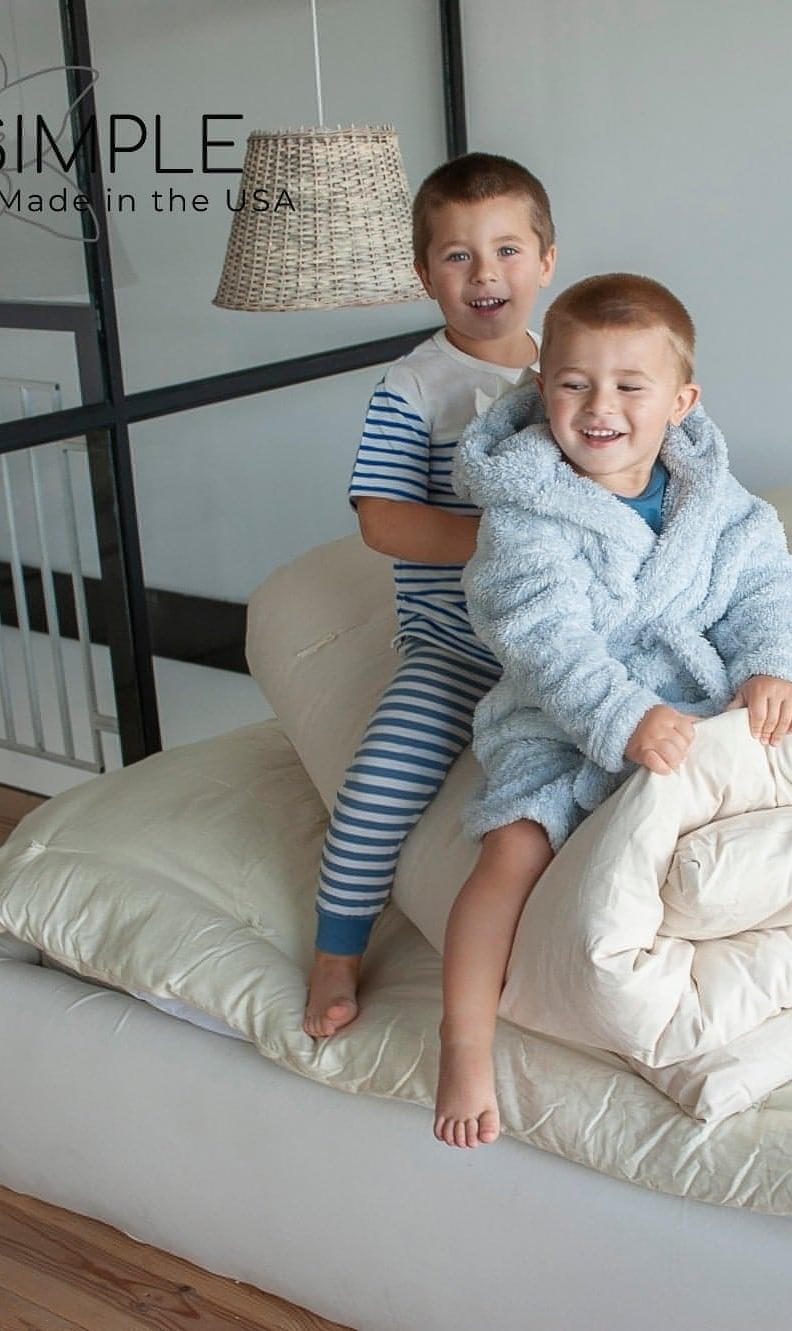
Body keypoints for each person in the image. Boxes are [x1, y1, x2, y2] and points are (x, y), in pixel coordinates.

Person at [433, 273, 792, 1147]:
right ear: (541, 388)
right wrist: (621, 714)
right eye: (573, 384)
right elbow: (542, 638)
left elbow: (766, 584)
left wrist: (770, 667)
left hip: (699, 690)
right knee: (512, 844)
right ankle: (462, 1040)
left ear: (680, 401)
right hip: (565, 712)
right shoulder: (526, 510)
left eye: (630, 386)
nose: (600, 407)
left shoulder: (713, 497)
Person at [302, 153, 557, 1039]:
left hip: (555, 641)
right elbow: (384, 521)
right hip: (455, 647)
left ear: (547, 261)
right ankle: (336, 946)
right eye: (458, 255)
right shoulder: (413, 386)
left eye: (507, 249)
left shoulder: (565, 372)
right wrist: (509, 542)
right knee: (379, 780)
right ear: (425, 274)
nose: (485, 273)